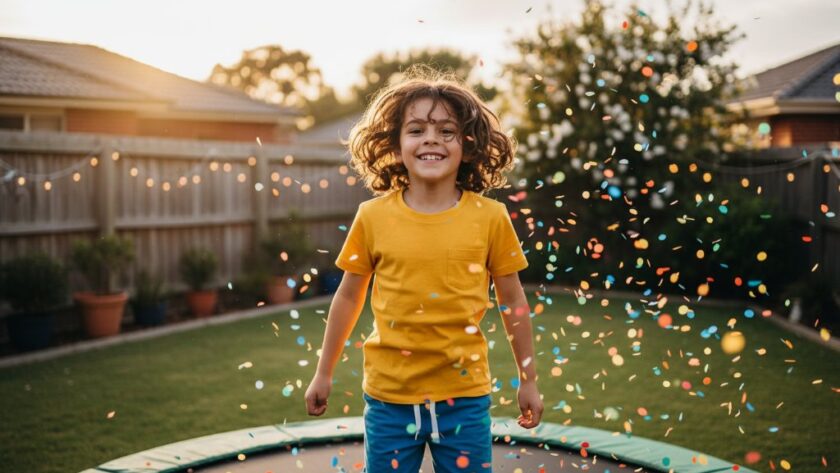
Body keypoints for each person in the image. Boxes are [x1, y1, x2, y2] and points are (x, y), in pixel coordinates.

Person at [304, 66, 543, 473]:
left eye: (446, 131)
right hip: (389, 399)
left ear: (467, 146)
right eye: (416, 130)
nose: (431, 139)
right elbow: (347, 295)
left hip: (464, 398)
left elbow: (513, 300)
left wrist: (529, 379)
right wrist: (323, 372)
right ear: (396, 145)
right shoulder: (372, 216)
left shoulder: (491, 218)